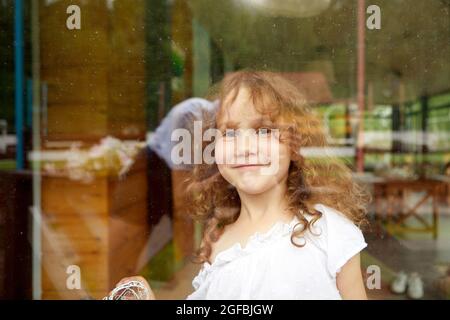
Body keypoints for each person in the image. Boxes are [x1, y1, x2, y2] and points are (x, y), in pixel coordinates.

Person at [115, 70, 371, 300]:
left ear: (295, 145)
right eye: (230, 133)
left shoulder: (329, 232)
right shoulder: (216, 240)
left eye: (264, 130)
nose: (245, 147)